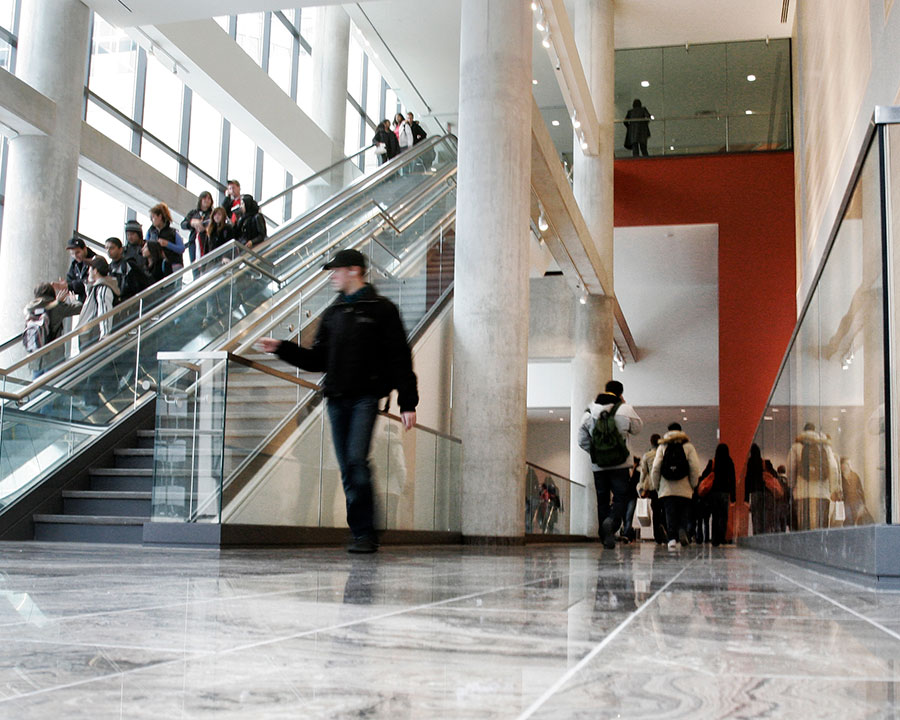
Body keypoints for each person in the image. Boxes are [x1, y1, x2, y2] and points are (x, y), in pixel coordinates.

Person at [257, 248, 418, 554]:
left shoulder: (382, 310)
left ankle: (364, 533)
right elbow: (318, 359)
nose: (333, 276)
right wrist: (282, 348)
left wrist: (408, 402)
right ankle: (363, 530)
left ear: (354, 271)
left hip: (366, 399)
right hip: (336, 400)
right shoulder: (333, 314)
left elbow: (399, 358)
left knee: (356, 460)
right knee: (348, 468)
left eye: (337, 270)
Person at [577, 380, 643, 549]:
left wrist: (596, 453)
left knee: (602, 499)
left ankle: (605, 537)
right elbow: (637, 429)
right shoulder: (624, 409)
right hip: (620, 464)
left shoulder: (590, 411)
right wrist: (625, 406)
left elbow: (581, 440)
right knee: (621, 497)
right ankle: (612, 522)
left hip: (599, 466)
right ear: (620, 393)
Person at [649, 422, 701, 549]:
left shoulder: (663, 446)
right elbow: (694, 467)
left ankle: (671, 539)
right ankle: (682, 530)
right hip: (684, 487)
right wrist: (693, 484)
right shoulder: (688, 446)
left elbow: (656, 467)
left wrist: (657, 486)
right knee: (684, 512)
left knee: (670, 513)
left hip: (667, 488)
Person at [788, 422, 841, 530]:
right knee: (821, 530)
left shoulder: (796, 447)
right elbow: (833, 468)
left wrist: (792, 486)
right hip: (822, 494)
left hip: (802, 495)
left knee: (804, 530)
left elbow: (791, 468)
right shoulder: (825, 447)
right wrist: (832, 489)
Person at [23, 282, 82, 378]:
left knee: (36, 388)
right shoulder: (57, 307)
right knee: (54, 387)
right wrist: (72, 300)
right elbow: (79, 308)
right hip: (53, 357)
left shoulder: (30, 309)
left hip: (35, 357)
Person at [76, 256, 120, 339]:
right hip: (90, 332)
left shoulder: (103, 289)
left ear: (95, 271)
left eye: (90, 268)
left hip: (94, 333)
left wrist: (105, 334)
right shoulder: (96, 288)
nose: (88, 271)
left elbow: (104, 311)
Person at [638, 434, 666, 544]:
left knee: (656, 512)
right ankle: (666, 531)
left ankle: (657, 536)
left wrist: (641, 485)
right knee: (665, 510)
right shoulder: (664, 454)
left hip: (653, 487)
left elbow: (643, 472)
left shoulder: (647, 455)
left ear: (651, 442)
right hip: (664, 486)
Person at [105, 237, 149, 303]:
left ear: (120, 250)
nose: (108, 251)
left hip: (131, 299)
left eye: (112, 248)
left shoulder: (129, 264)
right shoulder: (109, 267)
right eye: (106, 248)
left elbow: (140, 282)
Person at [146, 202, 185, 276]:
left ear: (160, 217)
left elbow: (181, 248)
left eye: (153, 217)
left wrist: (167, 244)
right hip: (156, 267)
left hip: (172, 266)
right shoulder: (151, 232)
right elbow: (146, 244)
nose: (151, 220)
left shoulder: (173, 232)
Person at [710, 443, 736, 545]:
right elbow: (732, 480)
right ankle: (722, 537)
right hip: (725, 492)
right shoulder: (729, 462)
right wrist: (733, 497)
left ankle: (714, 539)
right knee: (723, 516)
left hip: (714, 492)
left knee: (715, 516)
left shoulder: (714, 462)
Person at [839, 457, 874, 526]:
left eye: (847, 464)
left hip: (856, 501)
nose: (845, 467)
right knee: (848, 519)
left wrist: (863, 504)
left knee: (858, 519)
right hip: (847, 501)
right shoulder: (840, 478)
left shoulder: (854, 476)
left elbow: (860, 490)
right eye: (844, 464)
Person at [181, 191, 214, 263]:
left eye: (209, 199)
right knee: (194, 264)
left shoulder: (213, 213)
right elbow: (183, 224)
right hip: (194, 242)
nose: (207, 200)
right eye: (204, 198)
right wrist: (192, 223)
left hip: (207, 242)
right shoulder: (193, 212)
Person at [65, 236, 96, 302]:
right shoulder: (75, 264)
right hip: (82, 301)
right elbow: (69, 280)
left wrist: (71, 285)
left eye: (78, 252)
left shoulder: (96, 261)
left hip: (93, 300)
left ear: (85, 249)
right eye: (72, 254)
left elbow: (88, 283)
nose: (75, 256)